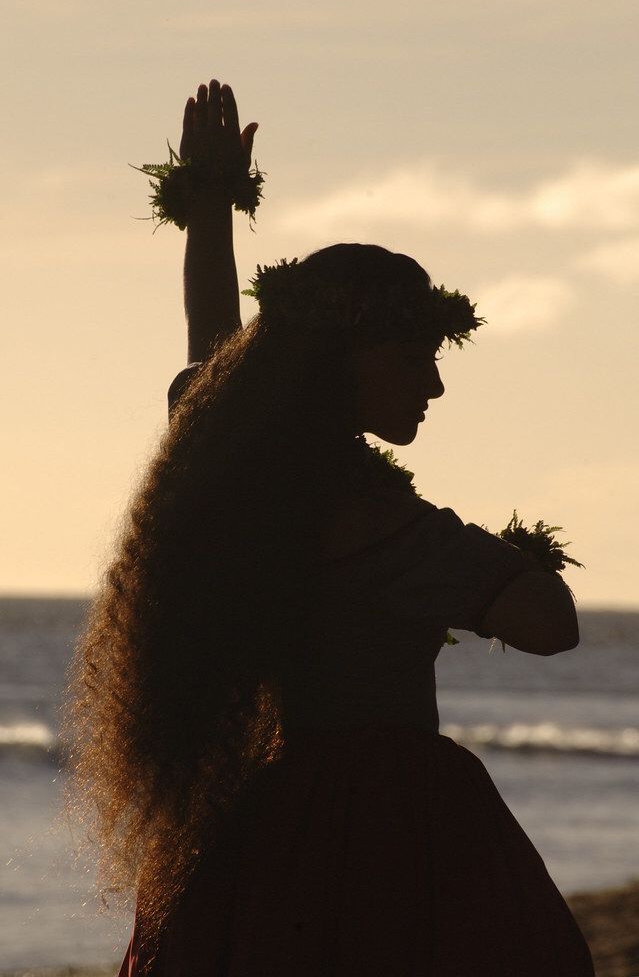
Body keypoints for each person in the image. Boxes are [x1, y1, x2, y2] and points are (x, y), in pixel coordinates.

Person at [65, 80, 594, 976]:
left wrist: (208, 209)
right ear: (335, 365)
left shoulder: (231, 463)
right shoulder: (378, 524)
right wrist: (470, 551)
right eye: (414, 358)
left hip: (263, 813)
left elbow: (211, 343)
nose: (432, 385)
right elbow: (551, 623)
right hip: (393, 821)